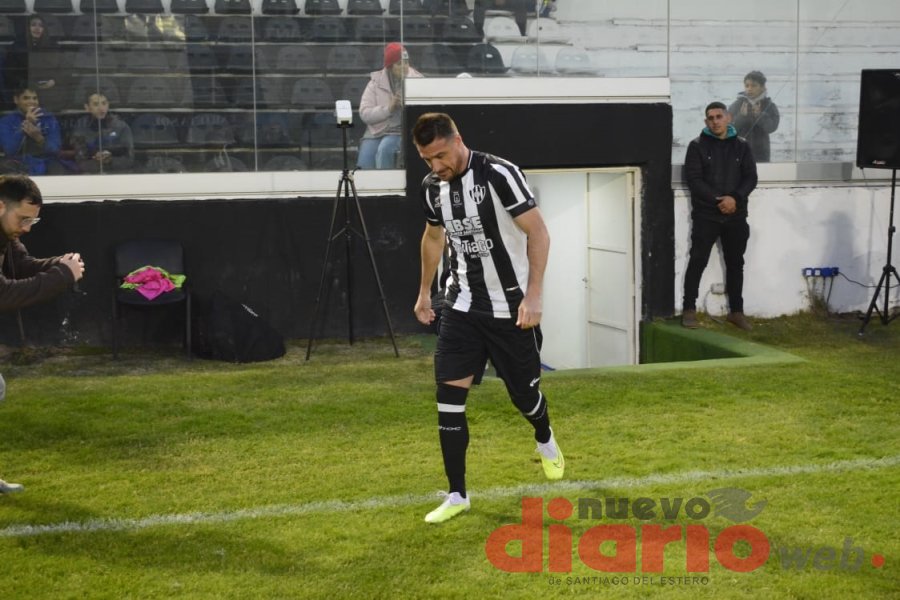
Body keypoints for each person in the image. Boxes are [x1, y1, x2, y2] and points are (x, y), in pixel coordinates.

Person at [412, 112, 564, 524]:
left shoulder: (499, 174)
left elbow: (539, 233)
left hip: (510, 312)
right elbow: (433, 236)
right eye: (428, 160)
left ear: (458, 139)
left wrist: (533, 296)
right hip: (460, 307)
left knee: (525, 397)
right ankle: (458, 494)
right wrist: (425, 292)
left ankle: (544, 435)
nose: (436, 167)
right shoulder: (433, 188)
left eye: (441, 155)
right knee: (448, 401)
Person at [0, 174, 85, 494]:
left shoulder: (6, 233)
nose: (26, 228)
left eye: (32, 222)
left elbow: (21, 266)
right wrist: (62, 275)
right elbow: (5, 294)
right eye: (23, 219)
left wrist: (58, 264)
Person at [681, 102, 758, 331]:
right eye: (710, 118)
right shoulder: (696, 146)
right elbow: (694, 180)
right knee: (697, 261)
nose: (715, 121)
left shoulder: (742, 146)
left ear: (728, 118)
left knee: (736, 264)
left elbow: (751, 178)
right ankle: (688, 309)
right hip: (706, 216)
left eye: (718, 116)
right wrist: (720, 201)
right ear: (706, 122)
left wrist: (734, 198)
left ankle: (736, 312)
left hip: (736, 216)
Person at [357, 43, 423, 170]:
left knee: (385, 149)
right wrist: (389, 109)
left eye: (406, 62)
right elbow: (364, 113)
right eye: (399, 64)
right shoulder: (375, 82)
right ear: (390, 67)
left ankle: (386, 188)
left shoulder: (418, 80)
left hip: (401, 132)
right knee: (365, 161)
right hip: (376, 131)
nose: (404, 67)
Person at [0, 86, 66, 175]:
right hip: (17, 165)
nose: (32, 102)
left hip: (47, 164)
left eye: (35, 98)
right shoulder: (6, 121)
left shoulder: (49, 118)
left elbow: (55, 149)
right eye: (26, 98)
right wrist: (26, 125)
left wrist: (39, 139)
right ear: (16, 100)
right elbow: (10, 150)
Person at [68, 92, 135, 174]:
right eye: (96, 104)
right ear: (87, 107)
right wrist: (96, 161)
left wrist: (110, 161)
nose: (101, 108)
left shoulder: (121, 127)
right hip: (89, 176)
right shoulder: (81, 126)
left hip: (117, 175)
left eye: (104, 103)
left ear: (108, 105)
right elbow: (80, 159)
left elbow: (129, 159)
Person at [728, 70, 779, 163]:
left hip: (761, 155)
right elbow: (728, 129)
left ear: (763, 87)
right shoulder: (737, 104)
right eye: (747, 85)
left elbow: (771, 128)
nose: (749, 89)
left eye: (754, 85)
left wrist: (760, 116)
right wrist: (741, 117)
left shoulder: (769, 105)